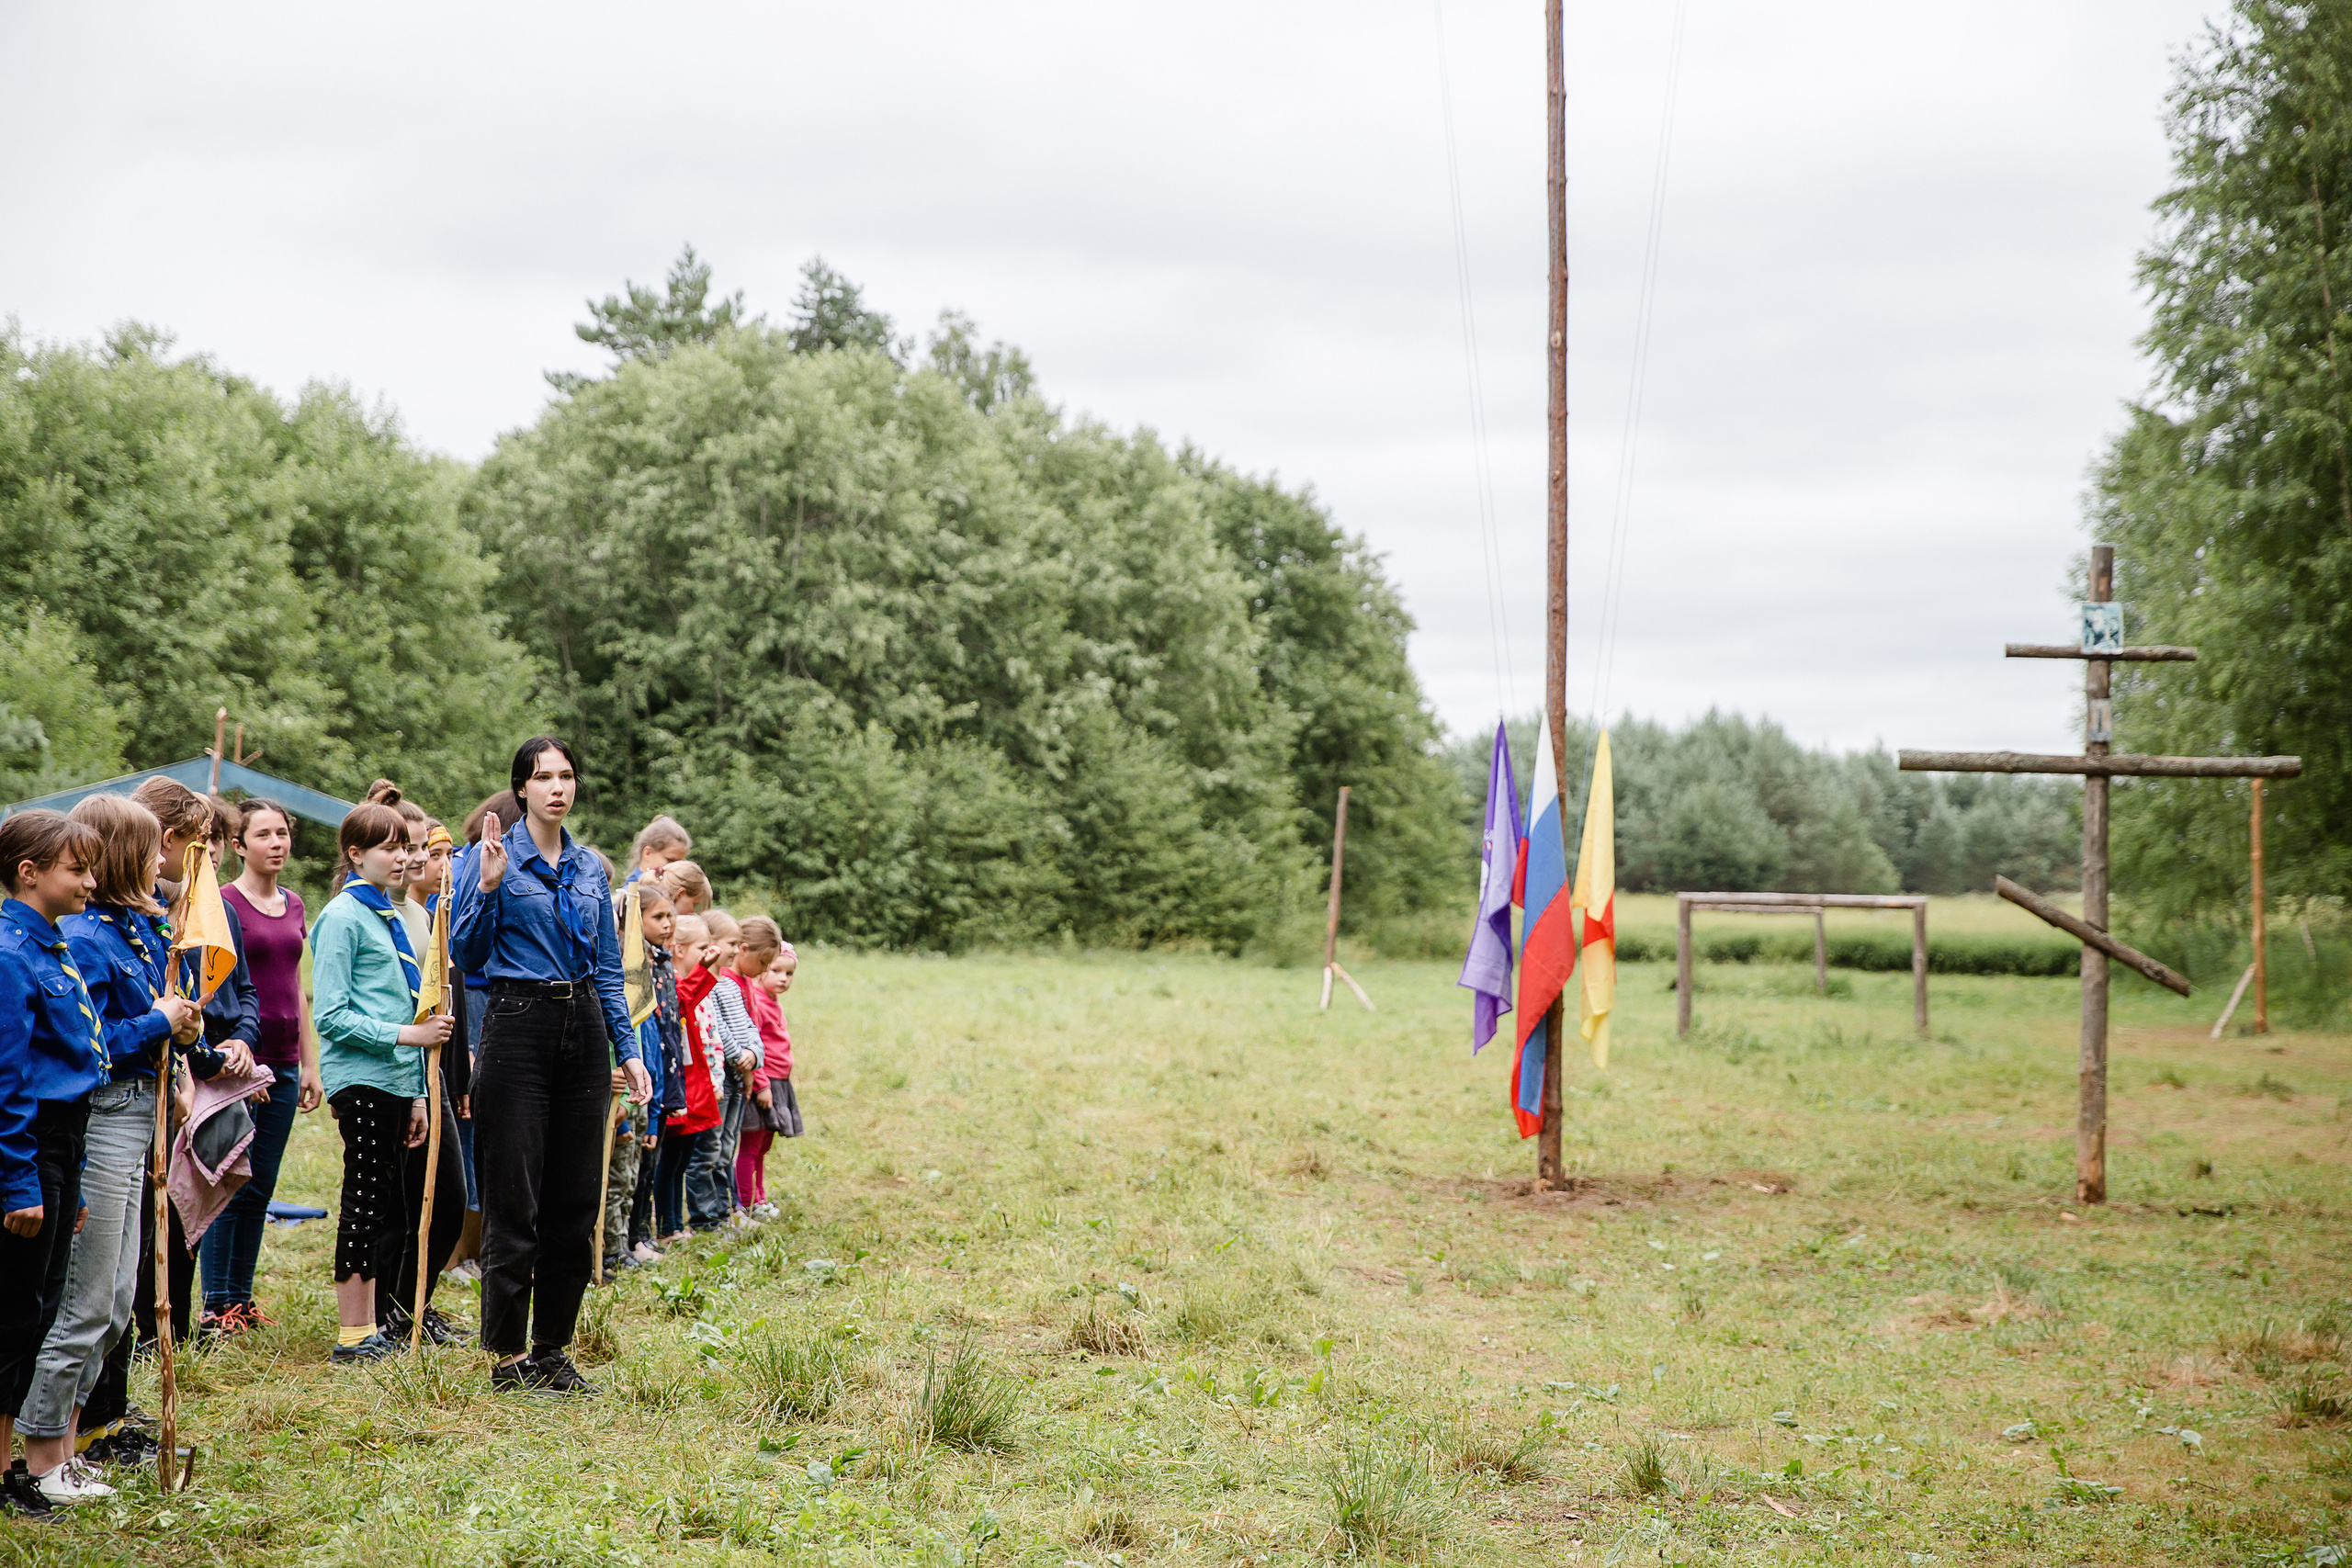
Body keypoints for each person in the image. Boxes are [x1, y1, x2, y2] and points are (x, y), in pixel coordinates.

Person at [17, 795, 208, 1505]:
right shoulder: (92, 939)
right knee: (88, 1298)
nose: (167, 859)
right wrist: (155, 1023)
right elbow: (90, 1048)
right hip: (106, 1119)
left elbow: (156, 1019)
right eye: (157, 846)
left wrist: (182, 1038)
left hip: (140, 1118)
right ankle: (39, 1456)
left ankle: (64, 1448)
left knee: (118, 1295)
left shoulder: (139, 929)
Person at [451, 738, 650, 1395]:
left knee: (575, 1198)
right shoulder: (489, 856)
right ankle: (506, 1353)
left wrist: (628, 1048)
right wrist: (483, 886)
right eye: (544, 778)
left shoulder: (593, 867)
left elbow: (607, 971)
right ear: (521, 788)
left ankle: (553, 1350)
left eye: (566, 776)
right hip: (516, 1022)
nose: (558, 787)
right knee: (515, 1194)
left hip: (585, 1024)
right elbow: (466, 955)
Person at [312, 795, 450, 1364]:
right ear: (355, 854)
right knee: (364, 1199)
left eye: (404, 847)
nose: (401, 858)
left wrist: (416, 1092)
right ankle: (353, 1332)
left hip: (397, 1080)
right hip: (362, 1076)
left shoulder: (387, 915)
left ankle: (371, 1324)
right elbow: (332, 1015)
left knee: (386, 1203)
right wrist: (405, 1037)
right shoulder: (342, 918)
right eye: (388, 848)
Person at [0, 812, 107, 1518]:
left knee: (33, 1313)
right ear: (29, 872)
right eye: (78, 869)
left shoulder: (51, 945)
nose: (91, 881)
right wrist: (19, 1179)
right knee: (9, 1318)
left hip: (62, 1143)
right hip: (28, 1144)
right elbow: (6, 1078)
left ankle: (10, 1466)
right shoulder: (10, 955)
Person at [205, 797, 319, 1332]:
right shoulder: (224, 904)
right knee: (232, 1183)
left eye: (283, 833)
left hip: (287, 1059)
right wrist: (234, 1063)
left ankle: (242, 1299)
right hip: (242, 1061)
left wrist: (310, 1066)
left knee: (264, 1184)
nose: (277, 844)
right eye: (264, 835)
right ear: (238, 845)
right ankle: (215, 1303)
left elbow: (298, 989)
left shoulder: (295, 904)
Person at [379, 815, 469, 1347]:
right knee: (395, 1206)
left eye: (421, 848)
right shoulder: (364, 915)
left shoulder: (430, 914)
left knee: (448, 1199)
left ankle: (417, 1300)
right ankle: (389, 1309)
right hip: (388, 1072)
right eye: (405, 847)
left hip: (430, 1075)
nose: (416, 858)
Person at [685, 910, 760, 1229]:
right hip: (719, 1079)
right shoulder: (708, 986)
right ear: (711, 944)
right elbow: (717, 1032)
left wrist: (754, 1055)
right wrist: (738, 1058)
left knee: (727, 1147)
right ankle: (710, 1216)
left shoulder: (729, 984)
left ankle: (728, 1209)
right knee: (711, 1150)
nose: (736, 950)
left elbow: (747, 1025)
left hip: (734, 1078)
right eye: (732, 943)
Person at [625, 887, 683, 1261]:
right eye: (658, 917)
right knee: (632, 1174)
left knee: (649, 1166)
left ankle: (641, 1234)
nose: (668, 923)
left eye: (670, 916)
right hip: (642, 1077)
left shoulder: (663, 963)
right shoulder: (634, 966)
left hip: (662, 1076)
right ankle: (629, 1240)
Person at [655, 914, 719, 1242]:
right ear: (678, 949)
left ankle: (676, 1223)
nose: (709, 953)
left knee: (681, 1159)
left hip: (693, 1082)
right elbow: (680, 1002)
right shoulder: (668, 980)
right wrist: (705, 969)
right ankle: (667, 1225)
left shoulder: (679, 975)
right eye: (702, 948)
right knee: (669, 1162)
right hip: (677, 1084)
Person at [730, 924, 795, 1218]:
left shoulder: (771, 1001)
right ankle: (746, 1202)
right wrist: (761, 1083)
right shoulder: (748, 995)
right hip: (762, 1082)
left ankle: (759, 1198)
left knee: (763, 1147)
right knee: (751, 1147)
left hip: (777, 1082)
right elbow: (750, 1041)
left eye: (788, 973)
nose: (782, 978)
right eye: (774, 969)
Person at [628, 818, 692, 884]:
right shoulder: (631, 891)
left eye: (679, 863)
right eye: (670, 860)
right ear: (648, 853)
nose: (675, 868)